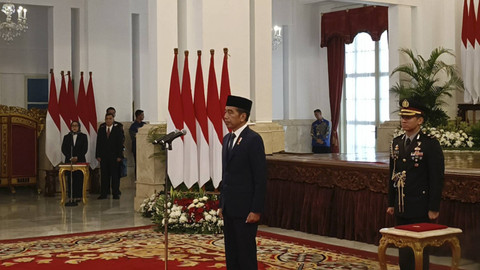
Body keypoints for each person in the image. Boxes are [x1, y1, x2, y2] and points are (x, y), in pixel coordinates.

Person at [387, 98, 445, 270]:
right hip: (401, 204)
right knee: (403, 246)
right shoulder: (397, 142)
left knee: (419, 249)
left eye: (409, 117)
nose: (404, 120)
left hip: (420, 205)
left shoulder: (430, 144)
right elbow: (393, 174)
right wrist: (391, 202)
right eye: (402, 117)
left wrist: (434, 206)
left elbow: (436, 177)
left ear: (420, 120)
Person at [218, 95, 267, 270]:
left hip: (246, 210)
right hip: (230, 208)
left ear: (243, 116)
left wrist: (256, 209)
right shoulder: (227, 139)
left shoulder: (253, 139)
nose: (225, 116)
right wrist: (222, 204)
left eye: (230, 112)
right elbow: (226, 175)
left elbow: (260, 178)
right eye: (225, 112)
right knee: (231, 253)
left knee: (245, 254)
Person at [96, 113, 124, 199]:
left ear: (113, 119)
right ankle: (104, 193)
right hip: (104, 157)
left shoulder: (117, 130)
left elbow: (120, 144)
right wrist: (98, 155)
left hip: (114, 157)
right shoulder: (101, 130)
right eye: (107, 119)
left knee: (115, 175)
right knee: (104, 176)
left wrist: (120, 156)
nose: (108, 120)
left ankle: (115, 193)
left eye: (110, 118)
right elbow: (98, 143)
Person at [61, 121, 88, 202]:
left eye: (76, 125)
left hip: (80, 160)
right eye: (73, 125)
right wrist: (70, 158)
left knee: (79, 178)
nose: (74, 127)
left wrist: (77, 157)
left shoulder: (83, 136)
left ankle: (79, 196)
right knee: (70, 178)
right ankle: (71, 196)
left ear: (79, 127)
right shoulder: (67, 137)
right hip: (70, 161)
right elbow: (64, 149)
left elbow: (84, 148)